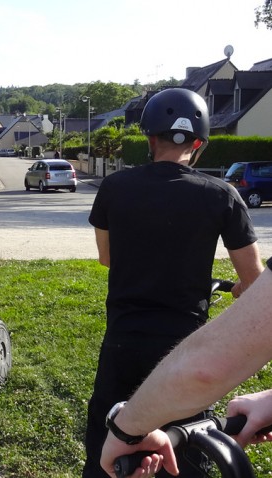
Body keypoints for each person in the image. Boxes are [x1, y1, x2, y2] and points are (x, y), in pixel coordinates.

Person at [82, 88, 265, 478]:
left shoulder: (115, 187)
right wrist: (234, 287)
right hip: (183, 350)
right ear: (198, 144)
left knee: (107, 448)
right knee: (186, 453)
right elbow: (255, 281)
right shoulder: (222, 194)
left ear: (150, 139)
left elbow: (107, 257)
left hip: (123, 340)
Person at [99, 259, 272, 478]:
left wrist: (124, 430)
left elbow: (106, 257)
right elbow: (251, 277)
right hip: (182, 336)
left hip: (124, 333)